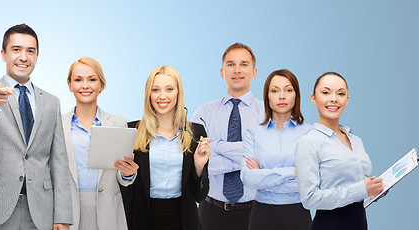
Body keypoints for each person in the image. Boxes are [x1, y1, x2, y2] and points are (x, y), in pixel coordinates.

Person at [0, 23, 73, 230]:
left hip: (40, 209)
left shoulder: (51, 102)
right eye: (16, 49)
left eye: (30, 51)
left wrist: (63, 216)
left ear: (37, 56)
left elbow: (59, 161)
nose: (24, 57)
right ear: (3, 54)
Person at [123, 65, 211, 230]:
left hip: (184, 221)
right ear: (148, 94)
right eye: (155, 90)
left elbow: (200, 195)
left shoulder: (196, 132)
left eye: (169, 89)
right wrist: (127, 176)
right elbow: (124, 192)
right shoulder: (132, 131)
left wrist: (199, 167)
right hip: (141, 220)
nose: (162, 96)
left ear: (178, 93)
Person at [295, 72, 382, 230]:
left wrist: (374, 189)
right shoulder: (308, 142)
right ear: (313, 98)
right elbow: (309, 199)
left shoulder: (355, 140)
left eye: (340, 93)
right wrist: (361, 189)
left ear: (347, 100)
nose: (334, 98)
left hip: (360, 223)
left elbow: (356, 187)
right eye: (326, 92)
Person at [191, 42, 263, 230]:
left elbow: (267, 160)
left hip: (256, 211)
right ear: (222, 72)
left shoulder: (267, 114)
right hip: (210, 210)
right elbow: (199, 163)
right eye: (230, 64)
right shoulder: (203, 113)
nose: (237, 70)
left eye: (244, 64)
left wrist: (216, 146)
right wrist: (248, 157)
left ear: (254, 72)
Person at [61, 57, 137, 230]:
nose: (85, 85)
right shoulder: (57, 124)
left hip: (109, 212)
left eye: (92, 79)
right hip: (68, 213)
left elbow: (122, 177)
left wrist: (127, 174)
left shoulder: (119, 123)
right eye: (78, 80)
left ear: (101, 85)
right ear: (69, 85)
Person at [241, 69, 312, 230]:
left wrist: (264, 178)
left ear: (296, 95)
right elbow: (247, 177)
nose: (282, 96)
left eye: (288, 90)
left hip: (298, 213)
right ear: (267, 96)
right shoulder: (254, 133)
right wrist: (294, 171)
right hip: (262, 215)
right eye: (275, 90)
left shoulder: (309, 133)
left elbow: (312, 180)